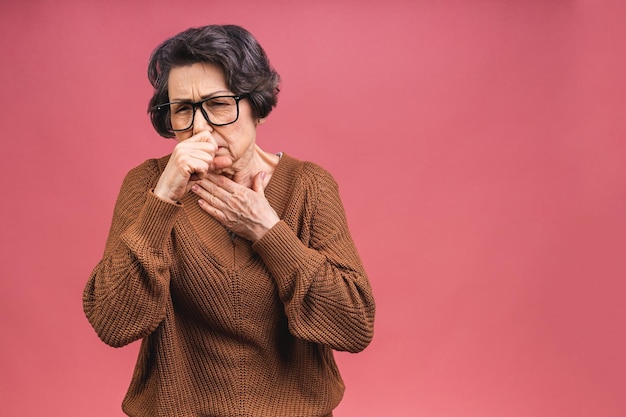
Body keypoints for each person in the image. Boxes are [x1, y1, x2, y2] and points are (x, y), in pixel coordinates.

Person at [83, 24, 375, 417]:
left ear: (258, 106)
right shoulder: (148, 186)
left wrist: (269, 232)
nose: (199, 128)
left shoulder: (309, 186)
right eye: (183, 109)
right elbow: (114, 323)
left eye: (218, 103)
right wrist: (164, 199)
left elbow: (352, 326)